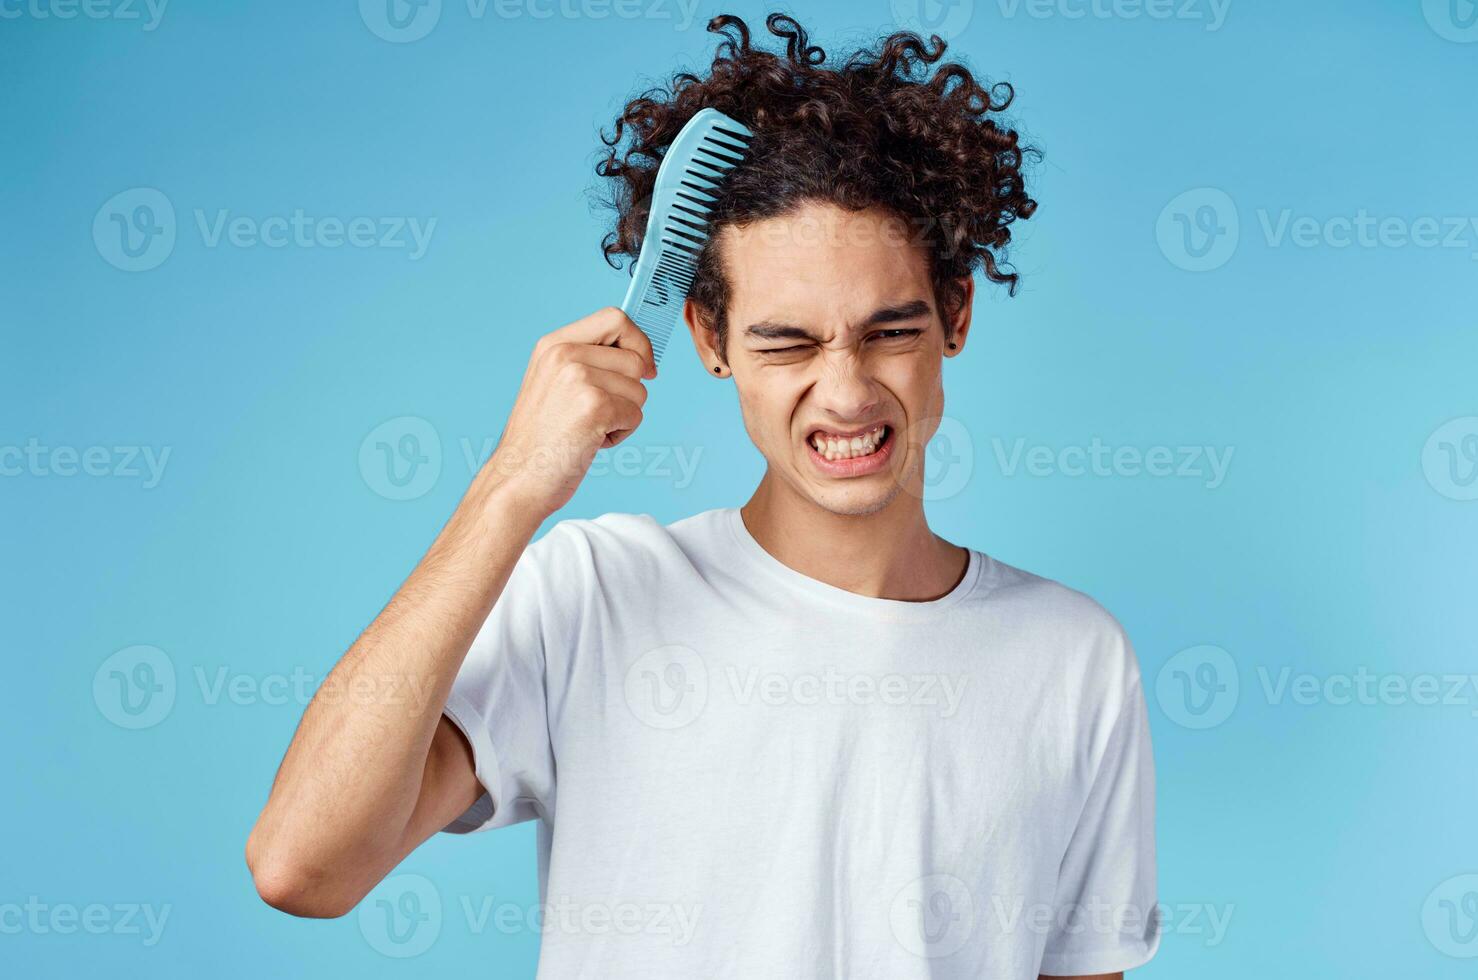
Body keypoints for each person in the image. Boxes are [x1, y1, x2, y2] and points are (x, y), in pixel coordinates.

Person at [246, 14, 1160, 979]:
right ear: (710, 340)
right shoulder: (594, 596)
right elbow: (303, 865)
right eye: (788, 343)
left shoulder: (1073, 657)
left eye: (888, 332)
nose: (845, 391)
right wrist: (510, 486)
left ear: (956, 315)